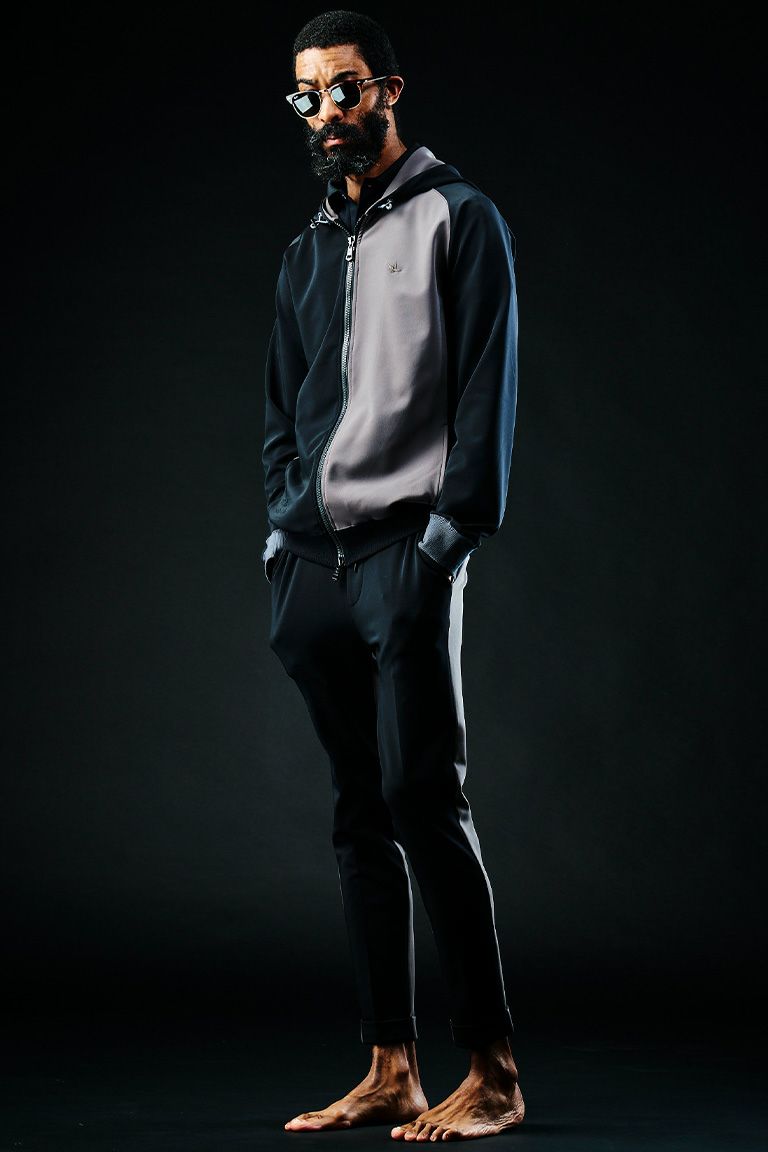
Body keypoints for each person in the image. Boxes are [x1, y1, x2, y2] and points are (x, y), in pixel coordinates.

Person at [262, 9, 524, 1141]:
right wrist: (280, 540)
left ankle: (495, 1071)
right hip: (312, 571)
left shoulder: (461, 218)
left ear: (389, 92)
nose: (327, 112)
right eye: (308, 95)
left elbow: (486, 394)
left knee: (427, 802)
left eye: (346, 89)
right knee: (358, 817)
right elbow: (281, 414)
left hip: (404, 557)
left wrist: (444, 546)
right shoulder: (305, 252)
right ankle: (390, 1066)